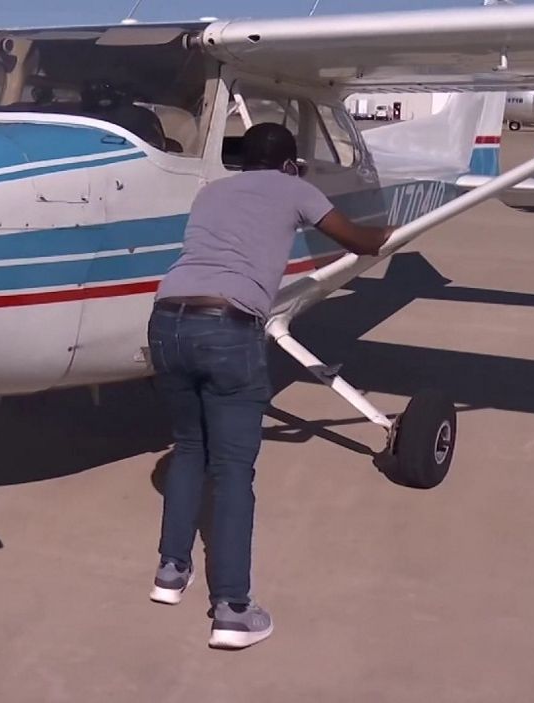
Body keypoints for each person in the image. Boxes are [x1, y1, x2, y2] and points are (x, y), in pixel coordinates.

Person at [146, 122, 393, 650]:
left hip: (166, 321)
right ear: (288, 163)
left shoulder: (211, 192)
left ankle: (170, 572)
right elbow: (359, 241)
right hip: (228, 326)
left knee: (189, 447)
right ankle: (233, 609)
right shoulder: (294, 188)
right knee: (233, 471)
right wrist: (391, 233)